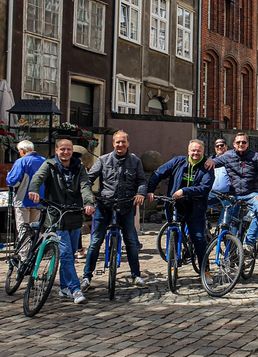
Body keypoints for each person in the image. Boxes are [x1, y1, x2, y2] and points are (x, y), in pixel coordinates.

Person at [28, 139, 94, 305]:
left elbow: (85, 186)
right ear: (57, 150)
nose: (66, 152)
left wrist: (88, 203)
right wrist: (33, 190)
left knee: (70, 254)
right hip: (56, 214)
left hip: (74, 213)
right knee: (64, 254)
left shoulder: (79, 167)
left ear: (72, 151)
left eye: (69, 150)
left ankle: (64, 287)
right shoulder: (49, 165)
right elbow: (38, 178)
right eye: (62, 149)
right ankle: (75, 288)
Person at [80, 131, 148, 291]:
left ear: (128, 143)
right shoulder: (103, 160)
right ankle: (86, 277)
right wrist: (90, 198)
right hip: (105, 205)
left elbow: (142, 181)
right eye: (117, 142)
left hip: (126, 205)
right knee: (96, 241)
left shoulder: (135, 161)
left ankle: (135, 275)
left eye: (123, 142)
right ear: (113, 144)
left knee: (131, 241)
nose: (120, 145)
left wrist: (140, 193)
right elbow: (88, 180)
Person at [147, 139, 214, 269]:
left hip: (195, 207)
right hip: (176, 205)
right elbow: (159, 173)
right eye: (193, 150)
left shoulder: (206, 166)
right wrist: (150, 190)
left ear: (203, 152)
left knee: (199, 238)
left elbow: (205, 187)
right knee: (173, 234)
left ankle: (205, 270)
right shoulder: (178, 161)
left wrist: (184, 191)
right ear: (188, 151)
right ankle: (173, 265)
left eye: (198, 151)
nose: (195, 153)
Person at [206, 132, 258, 259]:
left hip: (251, 194)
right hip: (233, 195)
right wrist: (209, 160)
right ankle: (231, 255)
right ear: (233, 144)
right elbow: (212, 164)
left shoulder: (255, 157)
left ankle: (248, 243)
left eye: (243, 142)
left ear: (247, 144)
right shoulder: (228, 156)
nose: (241, 144)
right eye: (238, 142)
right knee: (226, 224)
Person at [6, 140, 46, 235]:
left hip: (23, 199)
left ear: (23, 150)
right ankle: (34, 249)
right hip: (39, 199)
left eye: (19, 151)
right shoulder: (43, 160)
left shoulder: (21, 161)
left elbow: (12, 181)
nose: (19, 153)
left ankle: (25, 250)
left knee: (23, 230)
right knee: (35, 229)